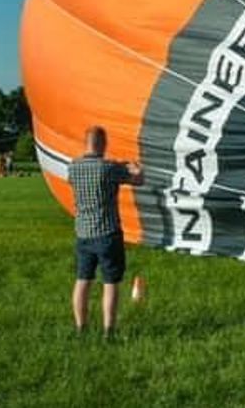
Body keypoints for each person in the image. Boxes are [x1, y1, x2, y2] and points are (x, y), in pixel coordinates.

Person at [68, 126, 143, 338]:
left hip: (83, 233)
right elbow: (138, 180)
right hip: (108, 233)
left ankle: (81, 327)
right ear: (103, 143)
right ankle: (109, 331)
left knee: (83, 280)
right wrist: (136, 168)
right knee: (110, 283)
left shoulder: (73, 167)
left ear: (86, 142)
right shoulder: (108, 168)